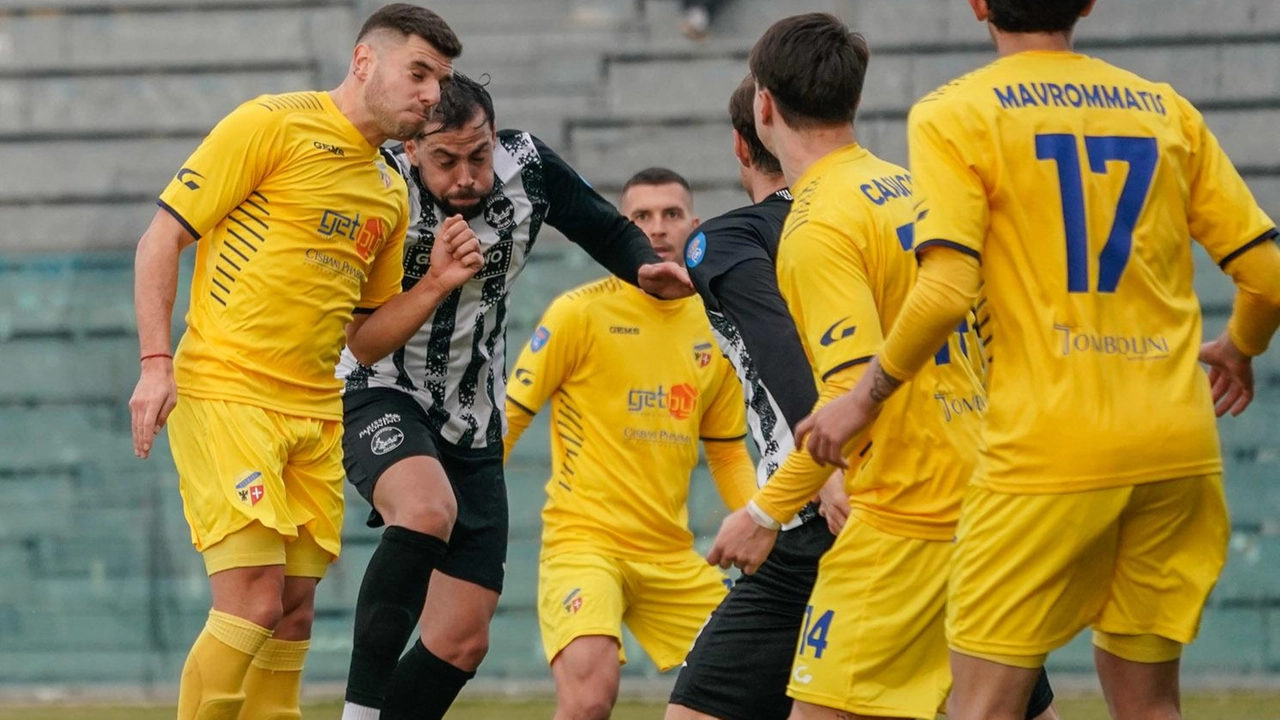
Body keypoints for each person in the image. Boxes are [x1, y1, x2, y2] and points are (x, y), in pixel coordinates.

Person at [795, 1, 1280, 719]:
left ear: (979, 6)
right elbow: (1267, 275)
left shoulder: (955, 111)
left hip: (1046, 452)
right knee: (1150, 707)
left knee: (983, 708)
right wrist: (1240, 346)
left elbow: (947, 290)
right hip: (1176, 445)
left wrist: (863, 400)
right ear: (1086, 4)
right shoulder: (1163, 108)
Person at [126, 5, 481, 719]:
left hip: (314, 412)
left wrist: (437, 283)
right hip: (228, 392)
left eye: (438, 82)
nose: (429, 95)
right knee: (253, 600)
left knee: (291, 615)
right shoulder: (271, 123)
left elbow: (362, 339)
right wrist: (156, 362)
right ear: (363, 62)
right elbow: (160, 239)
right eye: (417, 73)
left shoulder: (388, 191)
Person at [706, 14, 1055, 720]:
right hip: (984, 494)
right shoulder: (910, 188)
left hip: (903, 513)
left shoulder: (815, 225)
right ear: (852, 101)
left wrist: (764, 511)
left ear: (763, 107)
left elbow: (846, 398)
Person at [335, 74, 693, 720]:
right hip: (380, 387)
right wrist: (435, 282)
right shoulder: (377, 183)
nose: (467, 175)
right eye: (446, 160)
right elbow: (358, 340)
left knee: (462, 638)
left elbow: (604, 227)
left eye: (479, 154)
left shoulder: (526, 168)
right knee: (423, 509)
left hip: (474, 419)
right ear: (413, 149)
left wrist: (645, 266)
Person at [504, 167, 757, 720]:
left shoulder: (717, 328)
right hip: (584, 543)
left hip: (671, 554)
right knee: (590, 697)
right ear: (622, 226)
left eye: (670, 215)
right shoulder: (579, 312)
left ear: (695, 228)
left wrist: (764, 521)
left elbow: (729, 452)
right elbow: (509, 419)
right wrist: (466, 511)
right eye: (641, 216)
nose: (657, 228)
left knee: (757, 684)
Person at [663, 74, 839, 720]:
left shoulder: (731, 239)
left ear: (746, 139)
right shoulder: (885, 209)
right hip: (918, 499)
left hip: (813, 511)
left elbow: (781, 353)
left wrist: (808, 476)